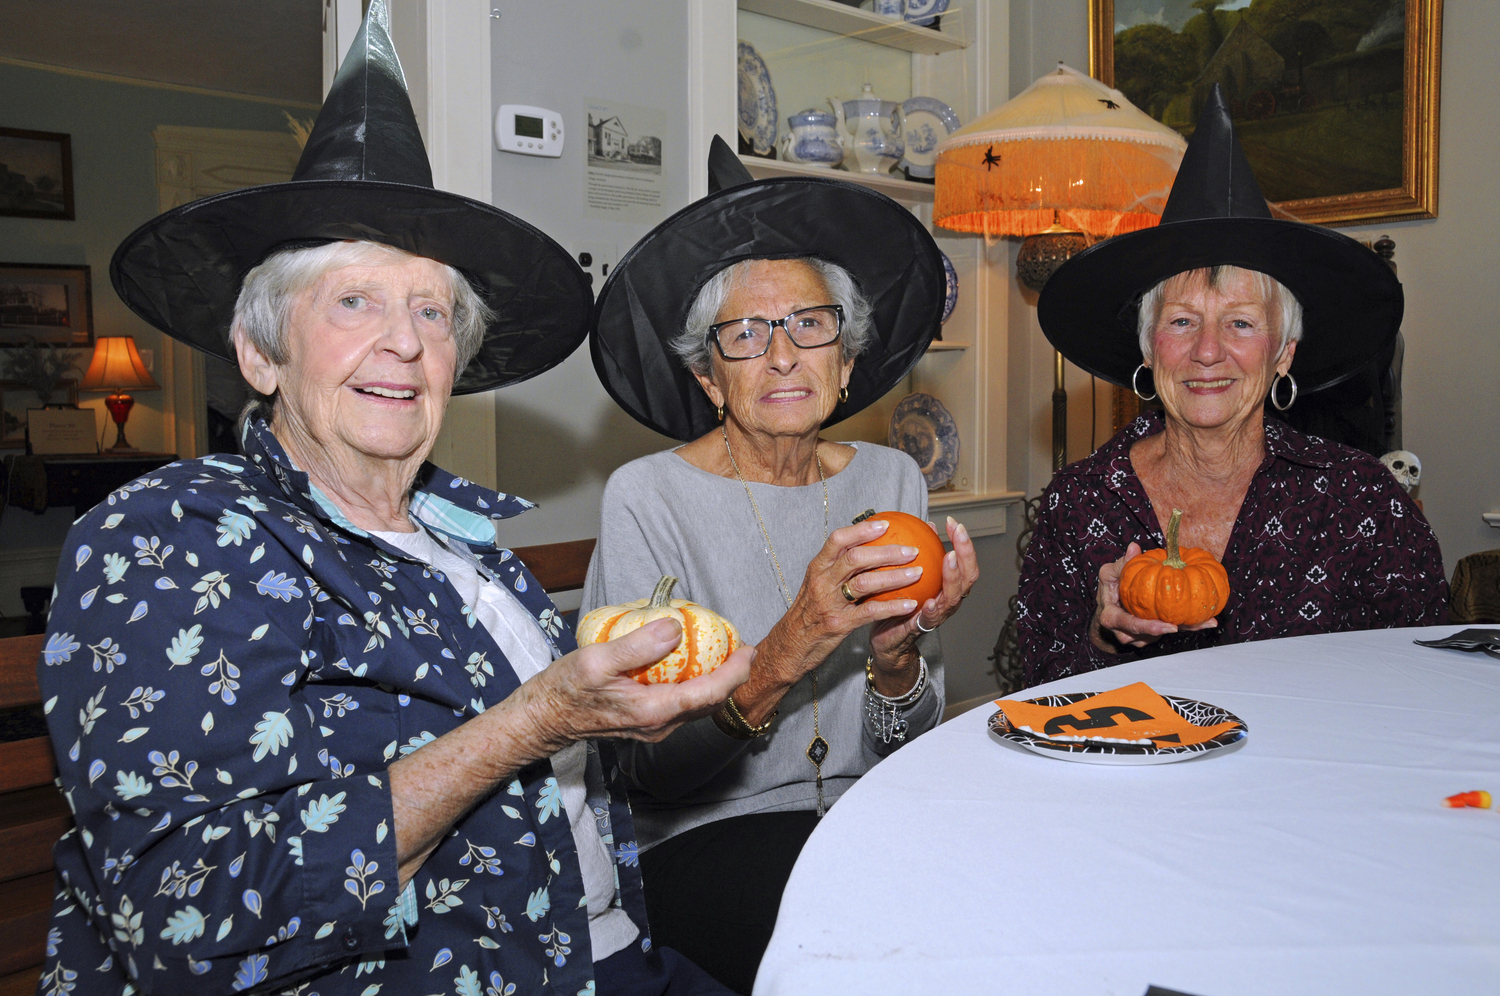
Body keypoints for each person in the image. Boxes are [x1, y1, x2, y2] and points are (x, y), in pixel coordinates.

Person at [35, 7, 749, 994]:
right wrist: (538, 716)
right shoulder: (171, 537)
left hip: (606, 954)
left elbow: (577, 785)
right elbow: (183, 914)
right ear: (261, 352)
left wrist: (640, 709)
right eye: (354, 301)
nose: (407, 342)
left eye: (431, 311)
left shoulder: (467, 537)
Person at [583, 139, 980, 993]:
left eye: (809, 324)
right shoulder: (646, 497)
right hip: (706, 836)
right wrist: (789, 646)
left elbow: (907, 741)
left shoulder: (892, 477)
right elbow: (644, 768)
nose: (783, 352)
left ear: (845, 362)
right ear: (710, 379)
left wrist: (897, 655)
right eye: (746, 334)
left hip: (875, 813)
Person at [1017, 86, 1447, 688]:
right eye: (1182, 321)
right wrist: (1102, 635)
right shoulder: (1082, 501)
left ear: (1283, 354)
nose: (1208, 351)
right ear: (1148, 348)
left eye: (1241, 323)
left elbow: (1433, 679)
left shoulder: (1361, 500)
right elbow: (1031, 693)